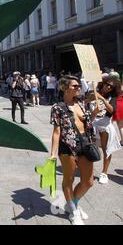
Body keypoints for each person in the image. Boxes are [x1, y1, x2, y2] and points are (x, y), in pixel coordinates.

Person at [49, 76, 99, 225]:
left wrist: (94, 112)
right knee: (69, 179)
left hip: (86, 144)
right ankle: (73, 210)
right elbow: (57, 131)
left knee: (88, 181)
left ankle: (73, 204)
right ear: (65, 88)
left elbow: (88, 123)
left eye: (78, 86)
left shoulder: (82, 103)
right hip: (67, 146)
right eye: (75, 86)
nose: (78, 88)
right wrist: (53, 152)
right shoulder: (57, 107)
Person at [88, 78, 122, 184]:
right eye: (107, 84)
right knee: (89, 149)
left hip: (105, 126)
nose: (108, 87)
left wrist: (102, 99)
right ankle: (88, 171)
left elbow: (112, 110)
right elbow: (85, 104)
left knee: (106, 149)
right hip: (92, 125)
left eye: (111, 86)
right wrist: (91, 101)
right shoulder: (93, 92)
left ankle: (104, 173)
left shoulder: (113, 97)